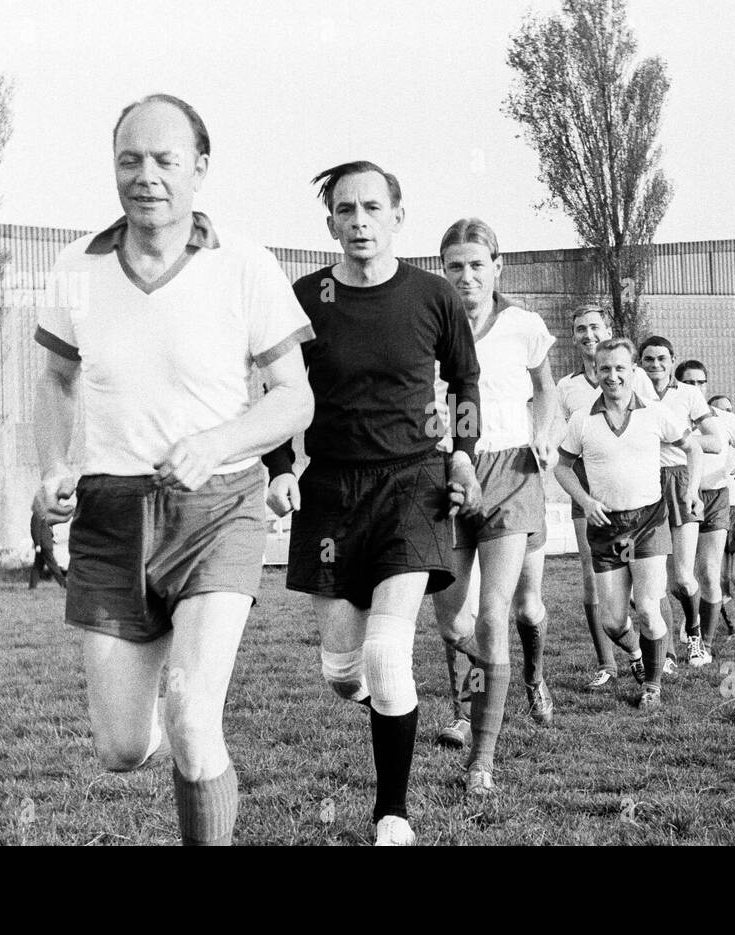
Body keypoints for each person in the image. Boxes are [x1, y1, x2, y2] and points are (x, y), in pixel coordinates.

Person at [32, 94, 315, 846]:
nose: (146, 175)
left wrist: (220, 441)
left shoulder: (246, 264)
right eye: (130, 159)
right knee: (123, 747)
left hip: (218, 507)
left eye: (164, 159)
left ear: (200, 167)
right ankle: (172, 740)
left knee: (193, 716)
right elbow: (56, 382)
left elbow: (295, 398)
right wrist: (54, 465)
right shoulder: (75, 267)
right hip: (110, 514)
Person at [263, 161, 482, 846]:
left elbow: (465, 382)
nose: (359, 221)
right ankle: (349, 676)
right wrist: (278, 466)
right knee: (343, 673)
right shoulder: (305, 299)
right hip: (329, 492)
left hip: (413, 485)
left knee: (389, 657)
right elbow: (273, 391)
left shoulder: (432, 296)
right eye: (346, 210)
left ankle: (393, 813)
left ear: (397, 216)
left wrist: (466, 454)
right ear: (330, 221)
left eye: (371, 208)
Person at [428, 218, 556, 796]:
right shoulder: (426, 322)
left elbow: (546, 388)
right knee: (453, 620)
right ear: (443, 270)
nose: (467, 275)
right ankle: (491, 687)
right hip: (444, 472)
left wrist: (546, 431)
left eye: (478, 264)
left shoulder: (524, 325)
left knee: (496, 613)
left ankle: (482, 757)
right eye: (455, 265)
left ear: (497, 266)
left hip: (510, 470)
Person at [554, 338, 705, 710]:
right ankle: (638, 655)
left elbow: (693, 447)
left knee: (649, 609)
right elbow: (561, 466)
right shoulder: (581, 420)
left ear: (632, 370)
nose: (613, 376)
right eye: (605, 368)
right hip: (606, 528)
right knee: (613, 622)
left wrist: (692, 490)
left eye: (620, 368)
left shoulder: (653, 413)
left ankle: (652, 686)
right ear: (597, 371)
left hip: (647, 523)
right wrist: (585, 501)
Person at [556, 306, 656, 691]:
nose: (588, 333)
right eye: (580, 328)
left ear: (608, 329)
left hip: (638, 498)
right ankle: (608, 662)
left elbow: (654, 427)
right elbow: (563, 447)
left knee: (647, 580)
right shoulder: (567, 386)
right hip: (587, 492)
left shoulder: (635, 375)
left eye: (595, 326)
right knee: (592, 578)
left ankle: (663, 659)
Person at [636, 339, 723, 671]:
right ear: (639, 363)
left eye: (661, 358)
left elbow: (715, 441)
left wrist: (673, 436)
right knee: (653, 580)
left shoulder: (688, 394)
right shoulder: (634, 394)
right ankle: (667, 653)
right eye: (647, 359)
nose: (655, 364)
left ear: (672, 361)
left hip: (680, 481)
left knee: (683, 579)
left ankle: (696, 635)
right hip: (644, 483)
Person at [673, 363, 735, 661]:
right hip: (677, 495)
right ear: (679, 385)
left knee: (710, 573)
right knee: (678, 579)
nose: (696, 387)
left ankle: (704, 645)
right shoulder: (668, 413)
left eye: (701, 382)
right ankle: (689, 625)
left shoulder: (723, 419)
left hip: (715, 497)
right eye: (689, 382)